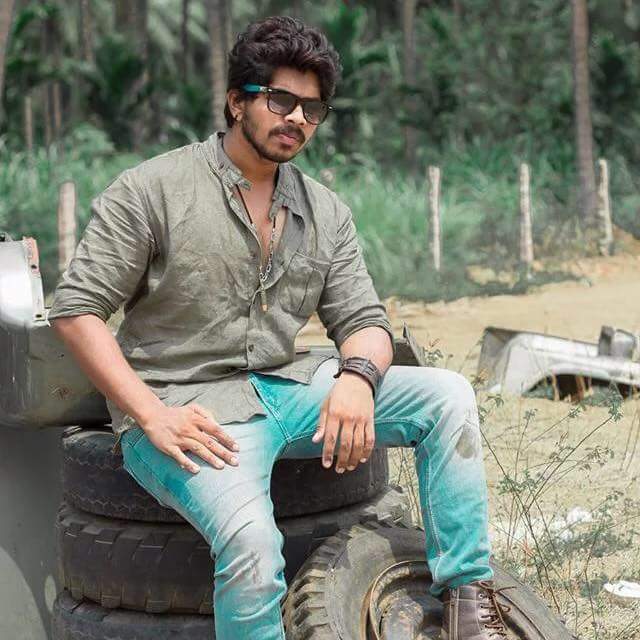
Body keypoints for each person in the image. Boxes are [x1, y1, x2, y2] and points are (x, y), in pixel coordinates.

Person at [49, 16, 506, 640]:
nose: (296, 118)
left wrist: (358, 378)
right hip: (187, 412)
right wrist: (150, 414)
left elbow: (365, 322)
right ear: (237, 101)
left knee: (446, 395)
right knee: (253, 545)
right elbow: (77, 310)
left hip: (285, 388)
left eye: (312, 110)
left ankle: (468, 604)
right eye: (280, 100)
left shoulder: (326, 211)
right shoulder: (152, 190)